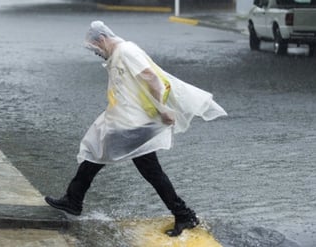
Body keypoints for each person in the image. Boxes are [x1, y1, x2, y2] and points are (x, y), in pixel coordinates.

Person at [45, 20, 227, 237]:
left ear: (102, 40)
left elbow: (151, 78)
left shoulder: (126, 51)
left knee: (136, 167)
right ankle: (73, 199)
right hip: (126, 121)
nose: (98, 54)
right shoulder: (119, 54)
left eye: (96, 49)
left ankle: (184, 214)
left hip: (134, 125)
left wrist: (162, 109)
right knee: (97, 155)